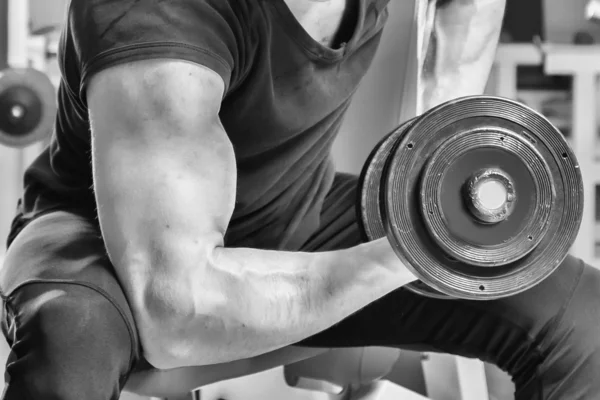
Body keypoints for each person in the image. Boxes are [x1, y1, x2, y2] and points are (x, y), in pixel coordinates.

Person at [1, 0, 598, 399]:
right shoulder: (156, 15)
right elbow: (176, 317)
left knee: (581, 318)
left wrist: (432, 163)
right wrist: (424, 240)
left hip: (296, 209)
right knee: (70, 341)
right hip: (116, 248)